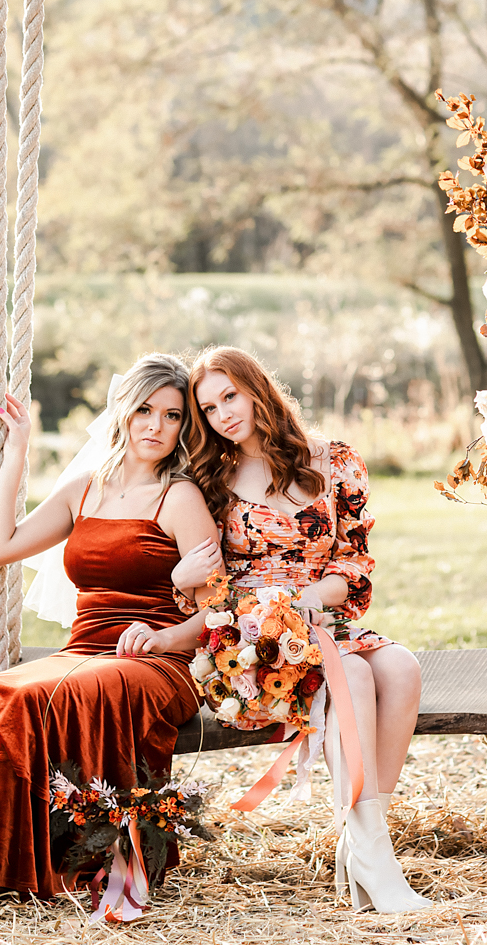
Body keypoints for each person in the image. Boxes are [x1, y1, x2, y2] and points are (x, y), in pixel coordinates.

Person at [0, 353, 218, 925]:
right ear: (122, 413)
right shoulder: (84, 490)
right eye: (144, 410)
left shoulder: (179, 497)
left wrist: (162, 638)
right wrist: (16, 456)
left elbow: (217, 614)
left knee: (33, 698)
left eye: (173, 416)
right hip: (84, 650)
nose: (156, 427)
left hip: (157, 661)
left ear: (185, 427)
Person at [172, 345, 428, 913]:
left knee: (402, 667)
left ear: (257, 386)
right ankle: (372, 857)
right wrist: (198, 584)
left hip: (319, 614)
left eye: (229, 396)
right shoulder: (211, 479)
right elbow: (204, 583)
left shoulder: (334, 459)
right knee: (355, 679)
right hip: (255, 634)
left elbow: (354, 559)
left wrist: (314, 594)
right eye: (209, 409)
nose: (223, 416)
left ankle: (364, 841)